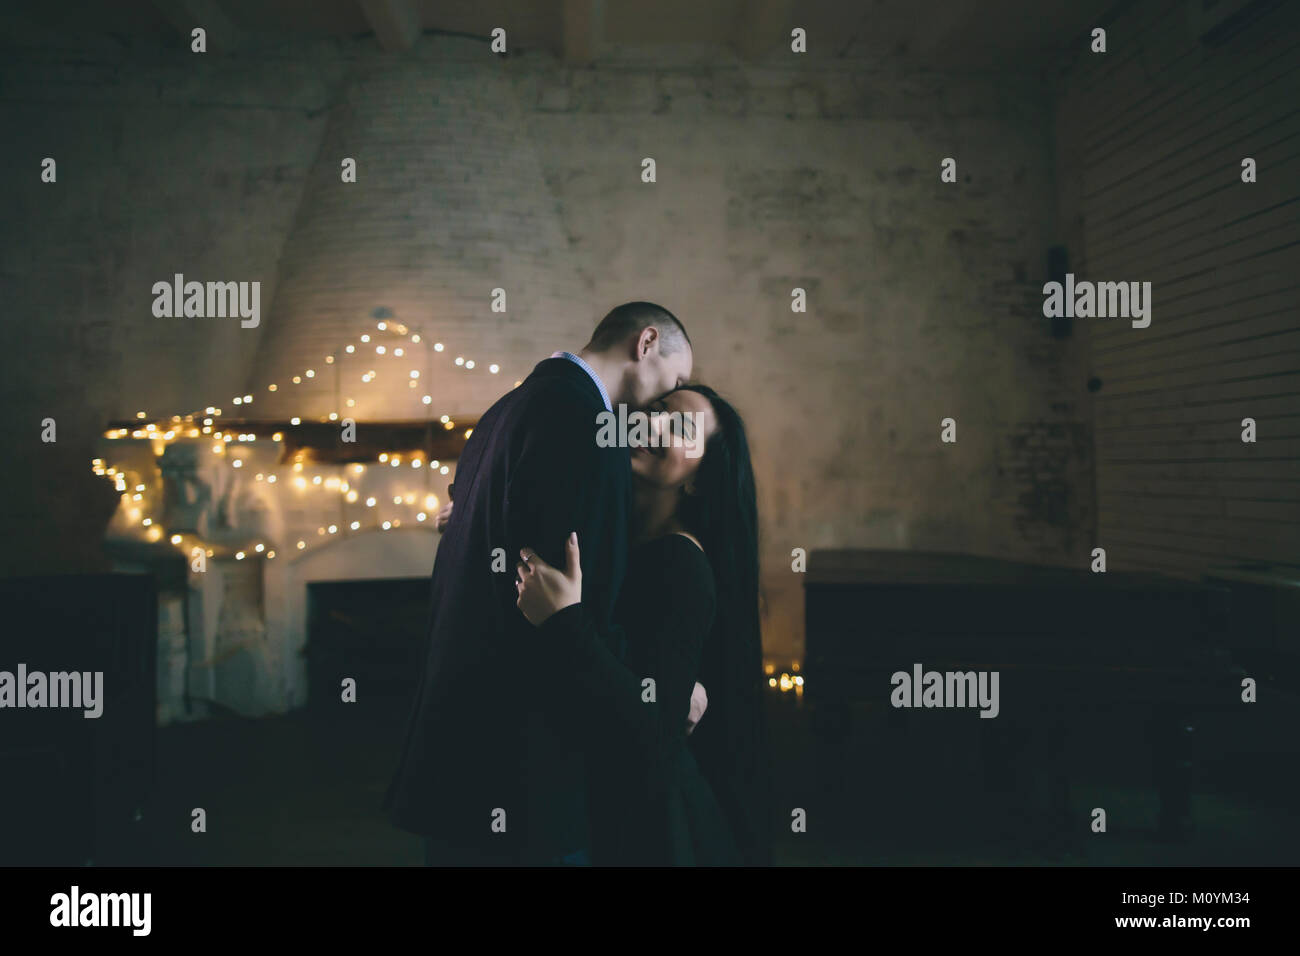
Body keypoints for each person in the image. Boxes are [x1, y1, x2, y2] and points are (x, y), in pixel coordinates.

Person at [382, 302, 693, 865]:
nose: (664, 402)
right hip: (523, 770)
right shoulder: (584, 425)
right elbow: (569, 615)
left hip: (459, 757)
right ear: (646, 343)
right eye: (673, 382)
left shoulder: (506, 408)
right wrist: (663, 697)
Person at [515, 384, 773, 865]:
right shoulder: (613, 532)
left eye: (679, 428)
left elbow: (655, 734)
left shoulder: (681, 563)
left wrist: (564, 620)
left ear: (697, 480)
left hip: (646, 833)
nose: (652, 425)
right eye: (655, 412)